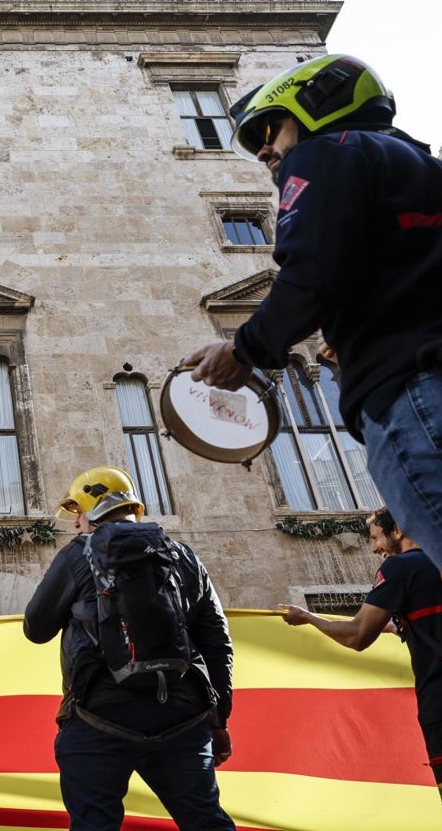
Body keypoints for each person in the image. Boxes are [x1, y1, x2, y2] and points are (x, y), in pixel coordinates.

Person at [181, 54, 442, 575]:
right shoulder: (420, 166)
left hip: (412, 392)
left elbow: (314, 270)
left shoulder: (326, 153)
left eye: (271, 128)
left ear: (315, 105)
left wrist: (242, 350)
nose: (264, 150)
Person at [24, 466, 235, 830]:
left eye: (77, 513)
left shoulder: (77, 554)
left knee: (95, 824)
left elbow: (36, 628)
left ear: (90, 509)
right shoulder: (182, 556)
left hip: (98, 717)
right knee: (206, 822)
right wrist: (219, 720)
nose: (75, 524)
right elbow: (217, 641)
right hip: (182, 719)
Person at [280, 506, 442, 801]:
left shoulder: (400, 567)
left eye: (375, 538)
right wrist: (396, 627)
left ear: (399, 531)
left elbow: (357, 636)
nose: (373, 548)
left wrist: (308, 618)